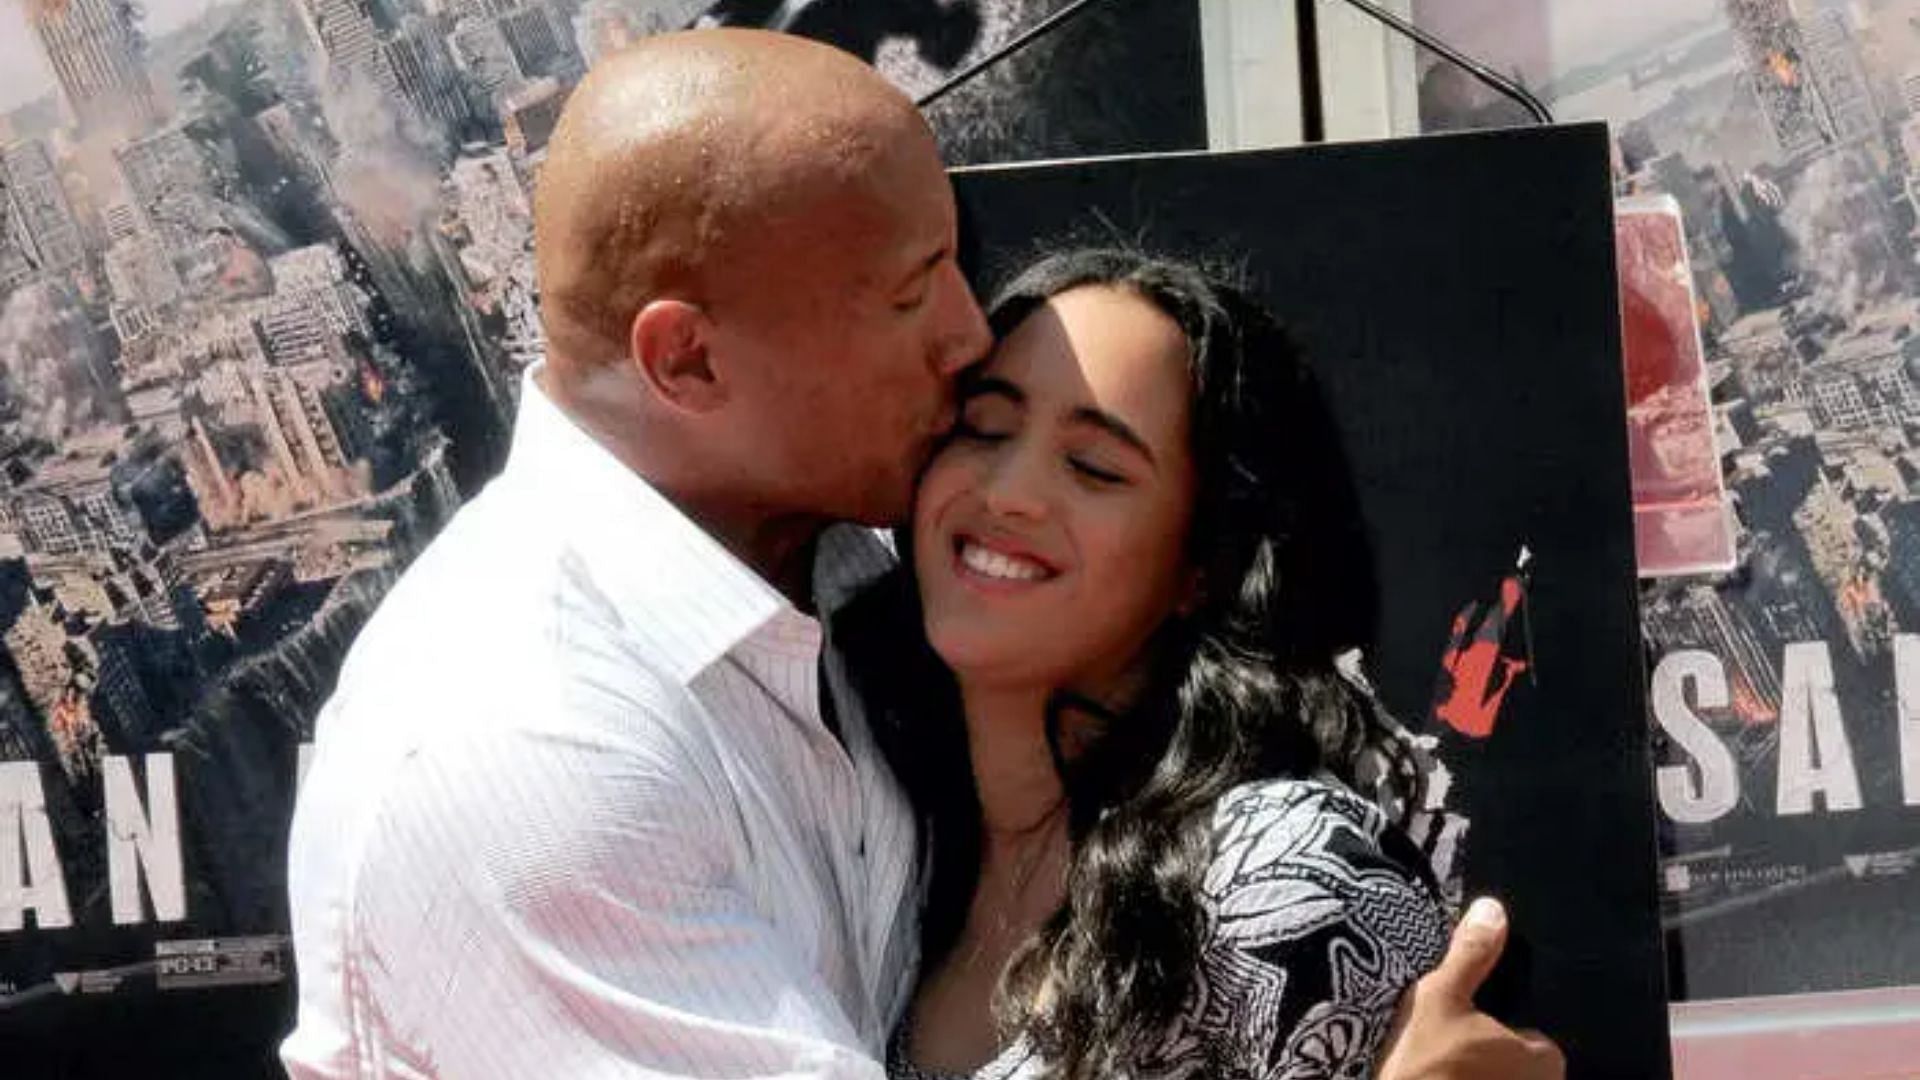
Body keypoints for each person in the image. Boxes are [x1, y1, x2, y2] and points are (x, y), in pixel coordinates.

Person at [283, 27, 1560, 1080]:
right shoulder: (524, 739)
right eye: (912, 293)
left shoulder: (849, 630)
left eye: (1096, 463)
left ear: (1201, 562)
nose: (964, 340)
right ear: (688, 359)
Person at [838, 250, 1557, 1078]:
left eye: (1094, 468)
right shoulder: (863, 831)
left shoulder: (1279, 881)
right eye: (986, 428)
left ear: (1199, 567)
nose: (1008, 491)